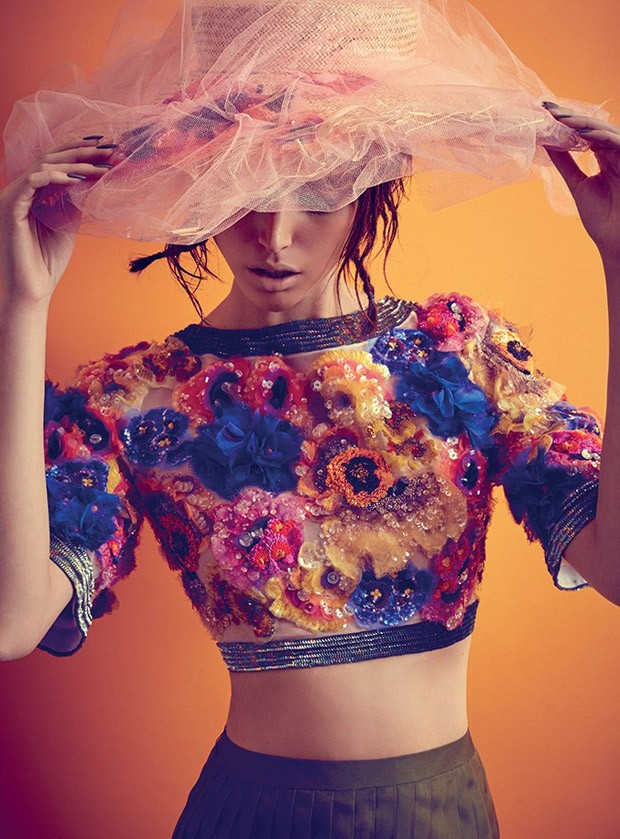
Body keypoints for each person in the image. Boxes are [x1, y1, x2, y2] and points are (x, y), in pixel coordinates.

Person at [1, 1, 619, 836]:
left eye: (319, 186)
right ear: (200, 168)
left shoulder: (462, 355)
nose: (275, 234)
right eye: (244, 183)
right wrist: (21, 304)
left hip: (437, 815)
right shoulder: (139, 396)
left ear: (376, 170)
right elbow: (12, 621)